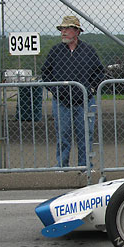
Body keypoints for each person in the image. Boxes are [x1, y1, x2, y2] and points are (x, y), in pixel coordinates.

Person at [42, 16, 105, 169]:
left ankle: (85, 167)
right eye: (62, 29)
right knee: (63, 136)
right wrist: (55, 90)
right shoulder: (56, 51)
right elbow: (46, 72)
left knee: (85, 136)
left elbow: (99, 72)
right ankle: (62, 166)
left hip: (84, 101)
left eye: (67, 29)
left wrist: (90, 88)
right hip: (61, 102)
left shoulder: (88, 50)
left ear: (76, 31)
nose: (63, 32)